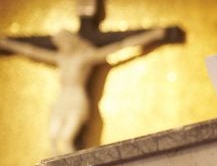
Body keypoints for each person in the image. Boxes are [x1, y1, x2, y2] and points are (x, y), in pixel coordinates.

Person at [0, 28, 166, 157]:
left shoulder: (85, 57)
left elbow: (121, 46)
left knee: (66, 140)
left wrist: (153, 35)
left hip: (76, 99)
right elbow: (31, 51)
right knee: (53, 140)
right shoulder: (61, 58)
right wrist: (7, 44)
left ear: (70, 41)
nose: (60, 46)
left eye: (62, 42)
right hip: (61, 100)